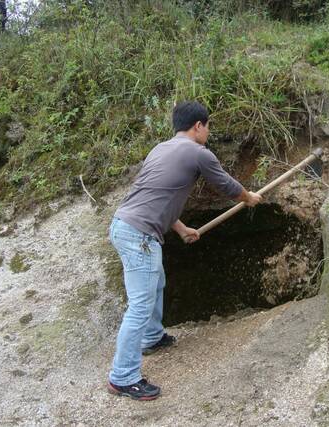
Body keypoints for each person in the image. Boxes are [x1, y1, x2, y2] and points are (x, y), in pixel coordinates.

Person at [106, 101, 262, 400]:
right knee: (139, 304)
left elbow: (157, 195)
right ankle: (123, 377)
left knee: (156, 283)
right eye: (208, 126)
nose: (209, 132)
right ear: (198, 126)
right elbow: (226, 185)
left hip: (125, 225)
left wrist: (180, 228)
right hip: (139, 233)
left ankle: (152, 337)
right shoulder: (197, 152)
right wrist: (248, 197)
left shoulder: (160, 149)